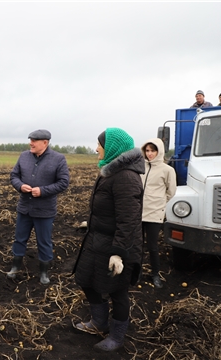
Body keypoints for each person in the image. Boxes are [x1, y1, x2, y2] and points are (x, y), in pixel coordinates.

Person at [73, 128, 144, 352]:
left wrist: (119, 253)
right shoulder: (111, 171)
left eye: (99, 144)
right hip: (97, 239)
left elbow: (129, 220)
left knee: (117, 291)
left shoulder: (126, 177)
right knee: (86, 280)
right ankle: (98, 322)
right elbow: (107, 209)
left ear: (112, 147)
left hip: (117, 245)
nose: (96, 148)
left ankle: (117, 335)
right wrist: (91, 222)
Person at [6, 129, 70, 285]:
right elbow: (14, 176)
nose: (31, 143)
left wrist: (43, 191)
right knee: (19, 239)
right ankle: (15, 267)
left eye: (34, 140)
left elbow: (63, 182)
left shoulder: (58, 159)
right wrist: (20, 186)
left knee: (44, 241)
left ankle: (44, 272)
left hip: (45, 210)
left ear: (45, 143)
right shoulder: (24, 156)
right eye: (30, 140)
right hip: (25, 208)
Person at [140, 138, 177, 289]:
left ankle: (155, 274)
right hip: (138, 212)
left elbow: (171, 191)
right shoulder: (140, 167)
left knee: (153, 246)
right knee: (137, 245)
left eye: (153, 151)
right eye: (147, 150)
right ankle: (136, 273)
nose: (149, 154)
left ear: (159, 151)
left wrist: (158, 202)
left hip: (155, 213)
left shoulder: (167, 170)